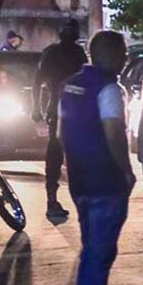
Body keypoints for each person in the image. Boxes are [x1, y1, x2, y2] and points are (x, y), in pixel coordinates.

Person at [59, 30, 135, 285]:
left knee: (90, 247)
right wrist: (127, 172)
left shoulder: (71, 84)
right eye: (122, 53)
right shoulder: (109, 89)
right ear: (110, 55)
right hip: (105, 180)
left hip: (81, 179)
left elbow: (63, 131)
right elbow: (114, 134)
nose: (124, 59)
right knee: (99, 253)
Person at [34, 19, 88, 219]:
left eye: (71, 31)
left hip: (76, 110)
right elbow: (37, 80)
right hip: (58, 109)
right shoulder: (52, 53)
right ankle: (51, 199)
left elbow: (85, 81)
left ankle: (78, 199)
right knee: (55, 155)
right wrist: (36, 106)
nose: (69, 34)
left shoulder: (78, 54)